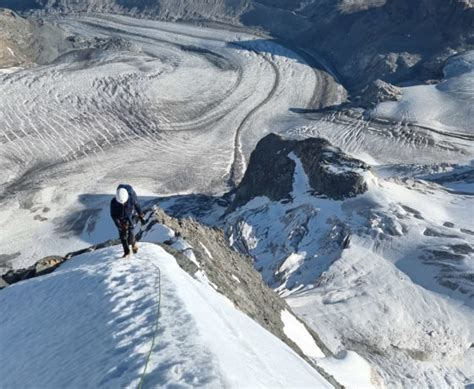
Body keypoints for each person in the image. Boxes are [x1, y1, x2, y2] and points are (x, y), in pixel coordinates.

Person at [110, 184, 145, 258]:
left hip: (131, 215)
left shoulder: (132, 198)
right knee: (122, 235)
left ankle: (133, 244)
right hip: (121, 218)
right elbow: (113, 216)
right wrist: (119, 225)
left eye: (124, 203)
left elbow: (137, 206)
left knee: (131, 230)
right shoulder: (113, 203)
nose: (123, 204)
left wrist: (141, 216)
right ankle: (127, 252)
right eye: (121, 203)